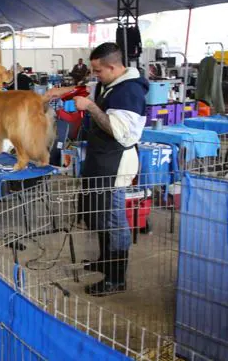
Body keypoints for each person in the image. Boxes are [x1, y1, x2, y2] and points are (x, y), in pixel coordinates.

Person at [46, 42, 148, 296]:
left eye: (98, 71)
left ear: (112, 67)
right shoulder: (109, 84)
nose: (95, 76)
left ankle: (116, 277)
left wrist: (90, 107)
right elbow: (89, 90)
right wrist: (58, 92)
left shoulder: (129, 92)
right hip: (101, 161)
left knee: (114, 220)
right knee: (101, 213)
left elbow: (120, 132)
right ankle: (105, 260)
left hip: (116, 165)